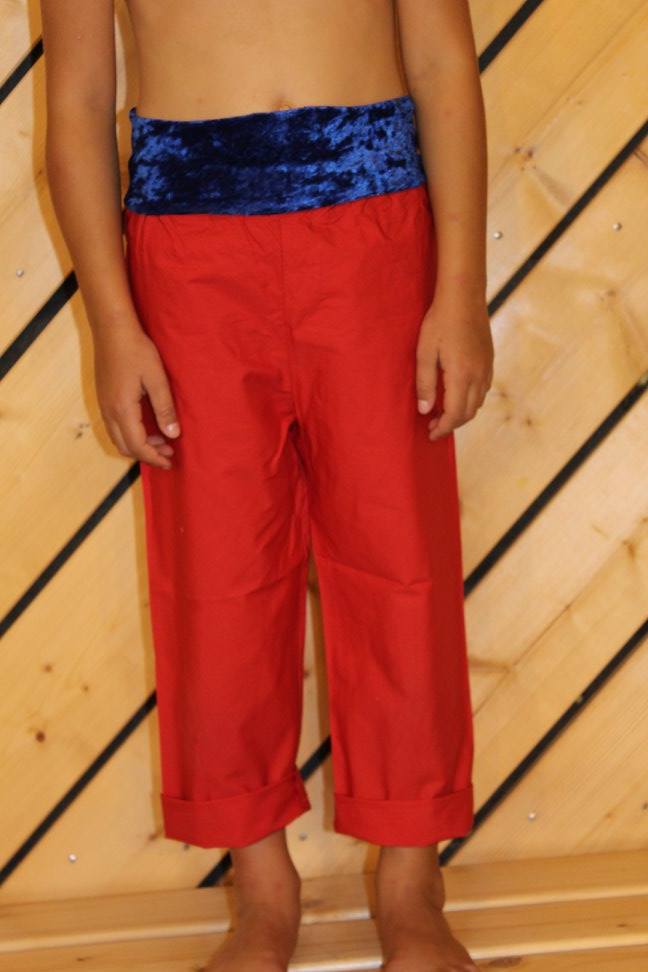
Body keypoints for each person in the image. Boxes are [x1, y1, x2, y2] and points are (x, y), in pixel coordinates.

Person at [40, 1, 493, 968]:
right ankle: (261, 889)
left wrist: (460, 290)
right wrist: (113, 323)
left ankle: (412, 883)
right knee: (217, 577)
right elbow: (76, 104)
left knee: (401, 564)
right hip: (190, 251)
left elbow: (443, 63)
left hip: (375, 233)